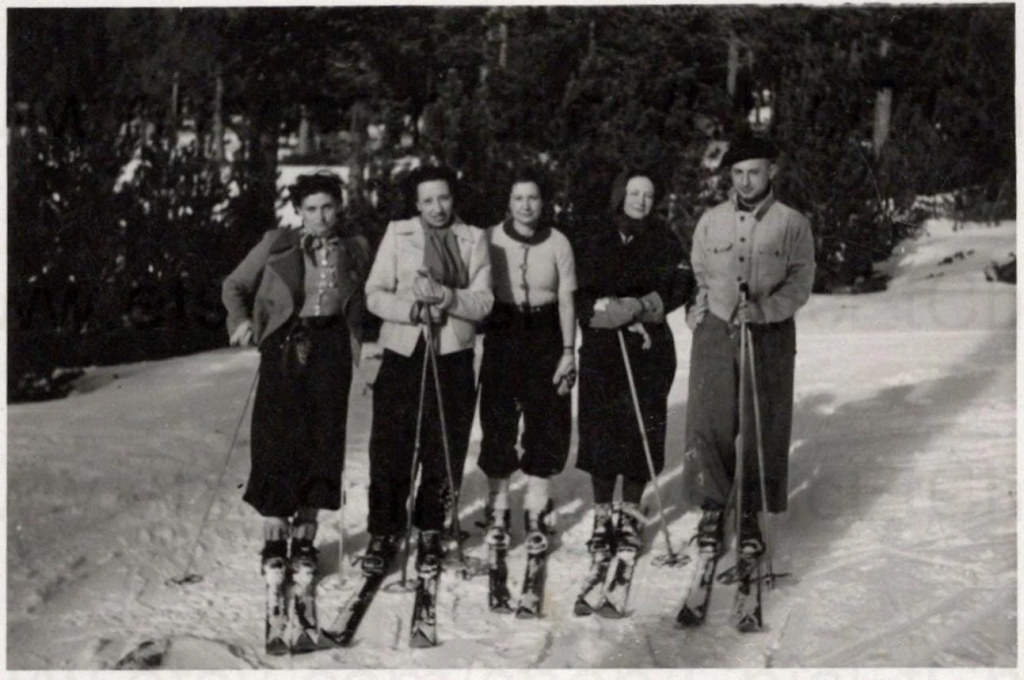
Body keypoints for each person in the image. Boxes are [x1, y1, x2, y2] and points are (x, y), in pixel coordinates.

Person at [222, 171, 371, 575]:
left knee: (323, 438)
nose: (320, 216)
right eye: (311, 209)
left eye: (327, 207)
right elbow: (234, 285)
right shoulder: (278, 243)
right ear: (298, 211)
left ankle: (305, 539)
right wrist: (241, 323)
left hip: (333, 348)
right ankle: (274, 539)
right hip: (286, 346)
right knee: (276, 438)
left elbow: (367, 298)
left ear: (338, 207)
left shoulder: (355, 248)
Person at [684, 136, 815, 559]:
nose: (744, 181)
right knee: (711, 419)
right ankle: (713, 507)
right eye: (737, 173)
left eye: (753, 172)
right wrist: (699, 306)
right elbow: (700, 272)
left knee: (764, 421)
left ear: (771, 171)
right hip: (717, 330)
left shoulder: (792, 223)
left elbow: (800, 282)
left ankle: (751, 512)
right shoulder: (711, 221)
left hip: (769, 332)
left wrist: (766, 310)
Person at [361, 165, 493, 573]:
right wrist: (413, 309)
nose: (437, 208)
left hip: (452, 352)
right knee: (391, 444)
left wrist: (448, 298)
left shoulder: (474, 238)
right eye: (428, 200)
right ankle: (384, 531)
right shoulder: (398, 233)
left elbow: (484, 302)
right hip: (404, 348)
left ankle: (431, 529)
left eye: (444, 198)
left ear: (454, 198)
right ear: (416, 203)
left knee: (444, 444)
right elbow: (374, 295)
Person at [574, 168, 691, 557]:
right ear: (621, 194)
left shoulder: (664, 239)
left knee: (643, 427)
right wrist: (599, 312)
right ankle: (603, 513)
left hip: (648, 347)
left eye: (648, 194)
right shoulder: (596, 235)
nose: (640, 200)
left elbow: (680, 284)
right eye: (634, 192)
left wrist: (644, 306)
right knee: (603, 429)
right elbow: (576, 289)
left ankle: (629, 514)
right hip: (602, 347)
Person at [477, 167, 577, 552]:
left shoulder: (559, 242)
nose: (525, 205)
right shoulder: (490, 238)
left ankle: (536, 504)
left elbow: (567, 298)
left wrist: (568, 351)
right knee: (498, 416)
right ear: (508, 203)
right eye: (518, 198)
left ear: (543, 201)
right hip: (504, 330)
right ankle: (498, 504)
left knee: (546, 416)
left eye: (532, 198)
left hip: (546, 330)